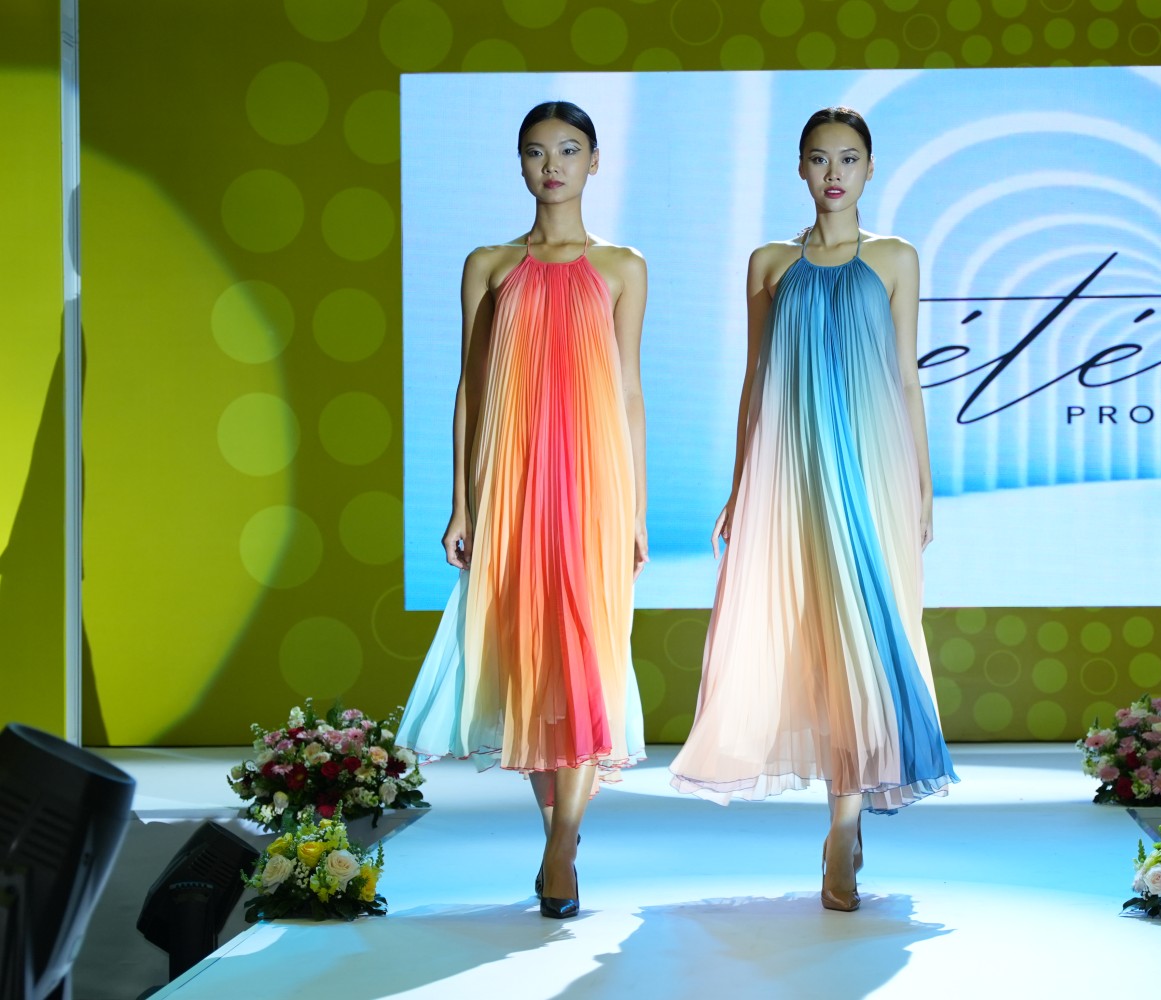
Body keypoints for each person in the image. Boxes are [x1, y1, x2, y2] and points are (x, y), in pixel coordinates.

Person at [670, 107, 956, 911]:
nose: (835, 173)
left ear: (870, 168)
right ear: (799, 168)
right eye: (820, 158)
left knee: (865, 638)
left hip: (872, 473)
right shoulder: (769, 263)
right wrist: (740, 485)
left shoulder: (896, 257)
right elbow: (756, 379)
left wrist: (923, 484)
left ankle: (842, 827)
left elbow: (906, 377)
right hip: (792, 474)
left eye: (849, 158)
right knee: (814, 641)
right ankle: (843, 822)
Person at [397, 100, 649, 920]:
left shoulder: (622, 267)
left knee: (584, 656)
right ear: (520, 163)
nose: (553, 165)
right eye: (538, 151)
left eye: (570, 150)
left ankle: (562, 846)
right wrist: (461, 503)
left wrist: (636, 507)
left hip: (596, 484)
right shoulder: (489, 265)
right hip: (510, 483)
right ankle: (558, 841)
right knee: (532, 662)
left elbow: (630, 391)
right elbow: (471, 390)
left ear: (595, 161)